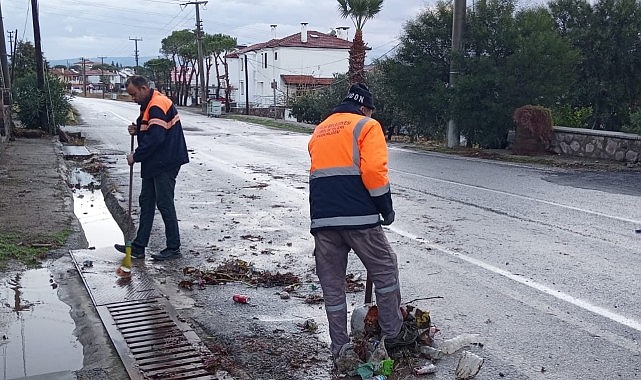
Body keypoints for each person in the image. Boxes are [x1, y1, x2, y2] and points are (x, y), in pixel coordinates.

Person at [307, 83, 417, 366]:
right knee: (385, 268)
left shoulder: (320, 129)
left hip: (322, 219)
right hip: (359, 219)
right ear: (365, 108)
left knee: (332, 287)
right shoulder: (367, 126)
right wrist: (386, 209)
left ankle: (340, 349)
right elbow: (373, 171)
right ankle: (393, 334)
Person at [113, 75, 189, 261]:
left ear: (144, 88)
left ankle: (173, 247)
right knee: (146, 201)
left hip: (166, 160)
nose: (133, 98)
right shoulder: (148, 105)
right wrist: (137, 129)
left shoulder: (157, 104)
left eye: (134, 94)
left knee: (164, 202)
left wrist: (136, 156)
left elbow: (157, 138)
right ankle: (139, 246)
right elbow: (150, 128)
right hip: (155, 161)